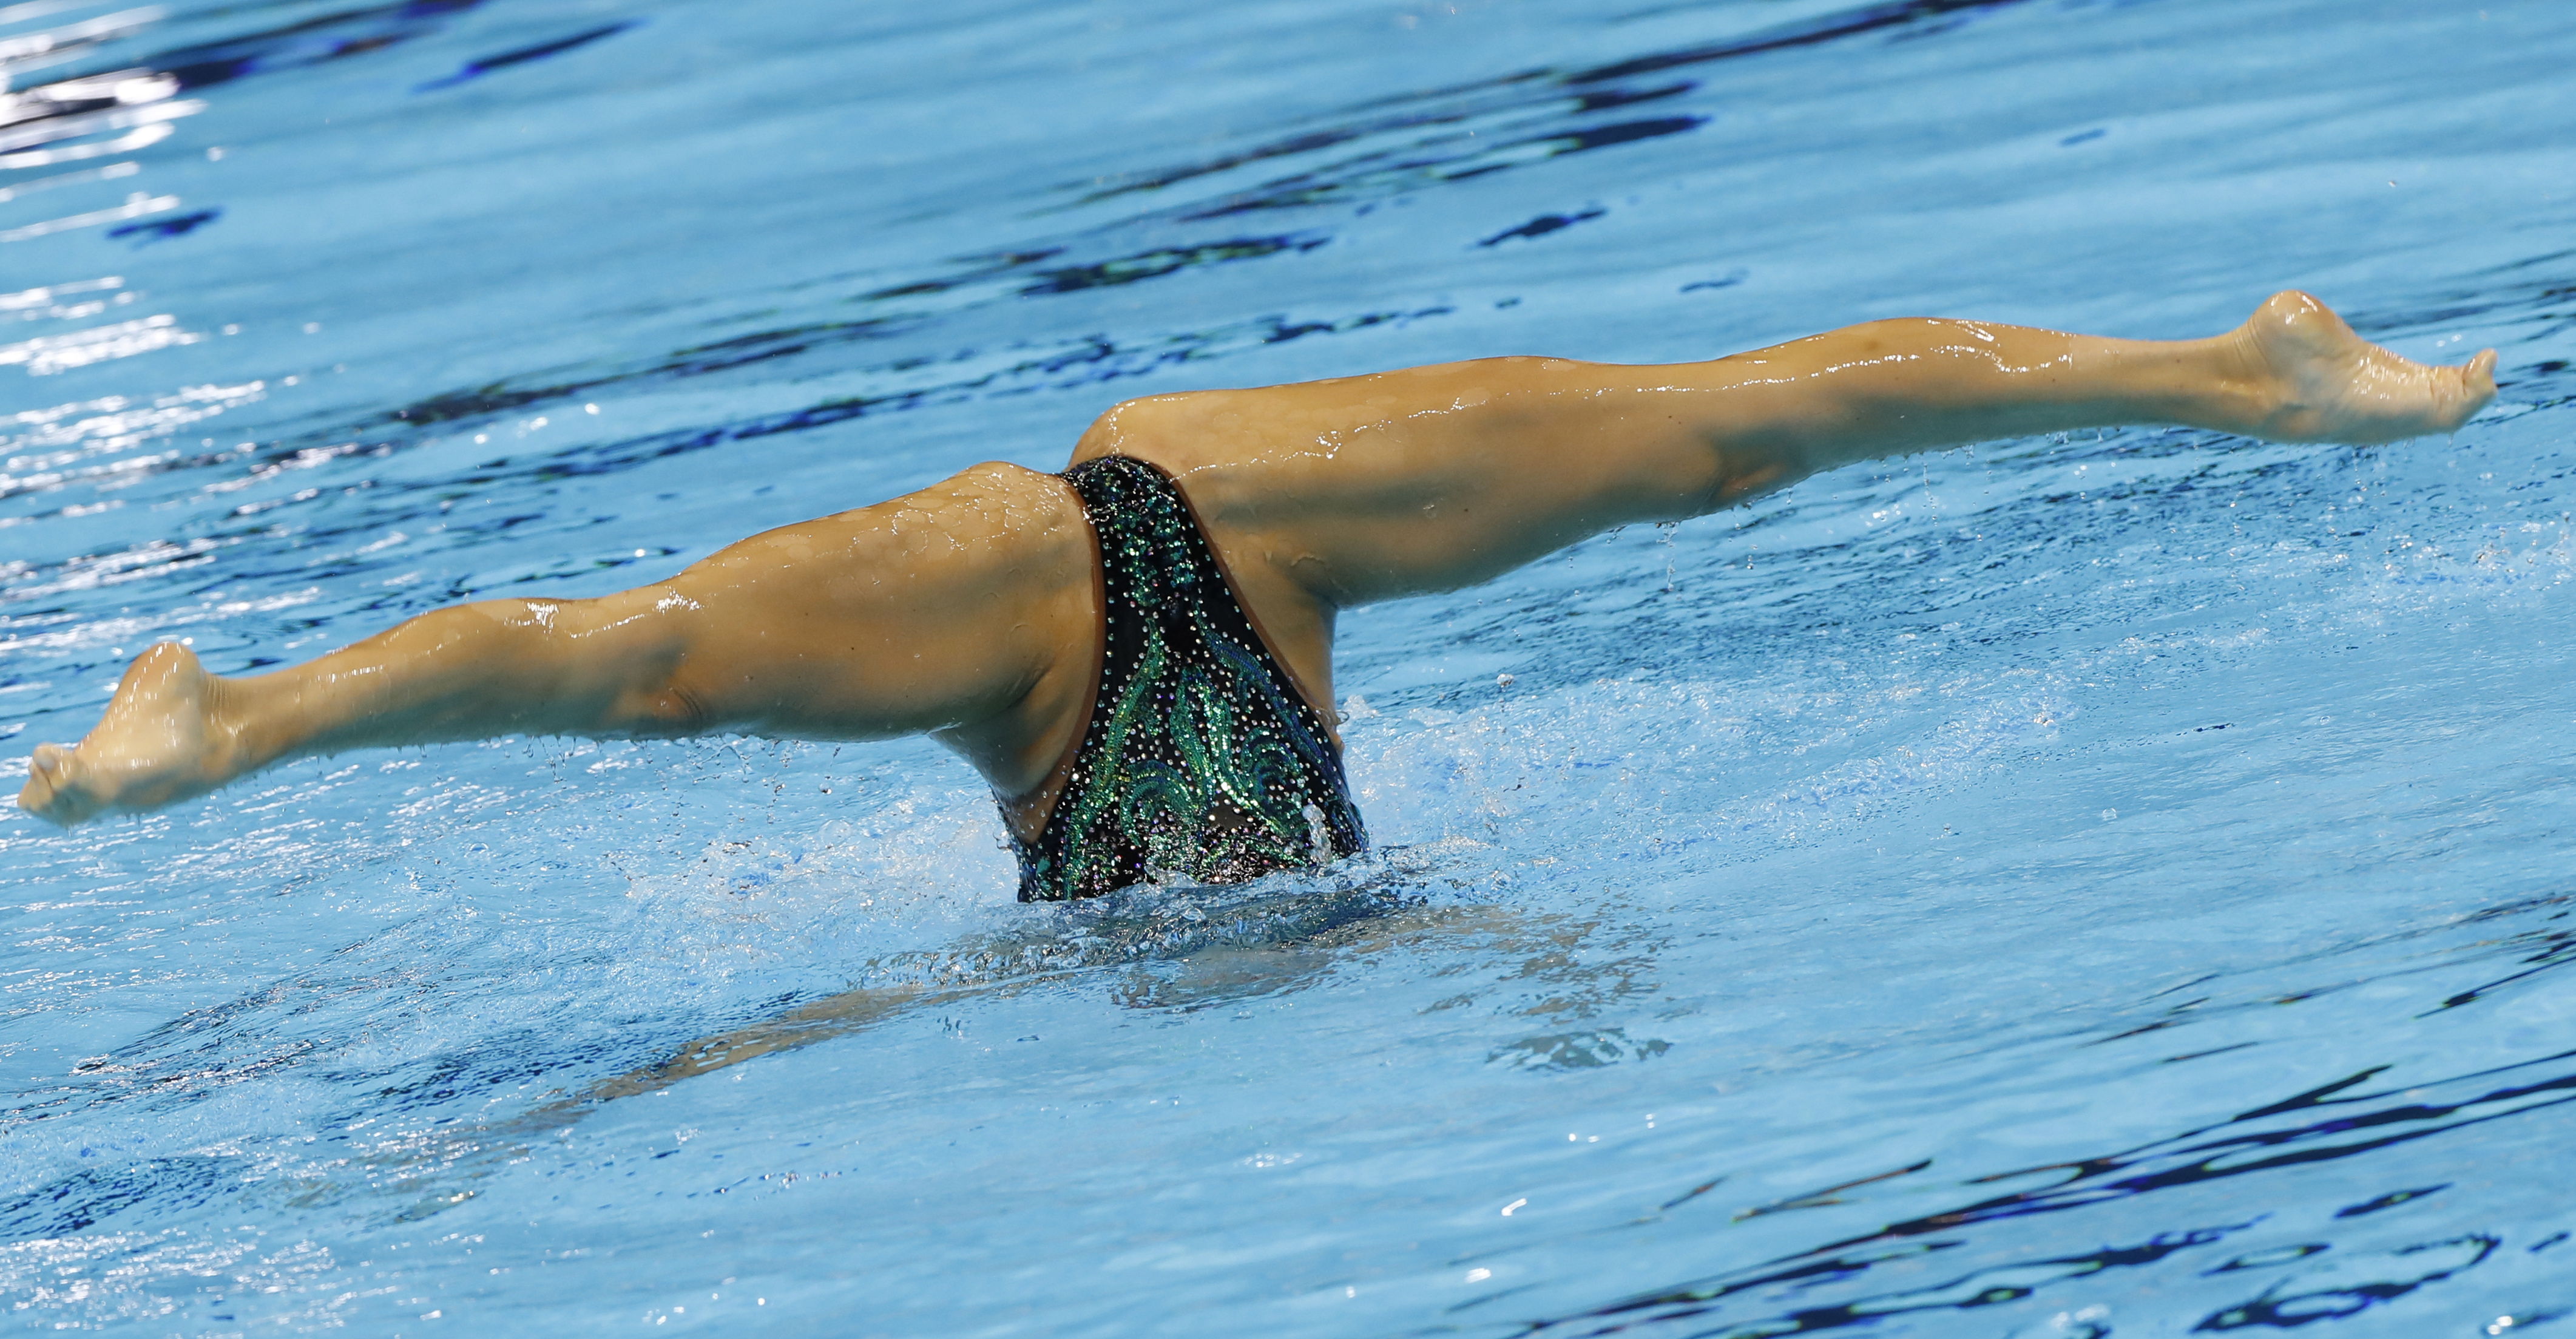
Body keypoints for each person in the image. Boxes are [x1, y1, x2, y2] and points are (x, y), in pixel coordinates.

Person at [16, 292, 2495, 899]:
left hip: (1045, 607)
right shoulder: (1321, 913)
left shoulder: (1122, 908)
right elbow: (1447, 923)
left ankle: (233, 710)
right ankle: (224, 712)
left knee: (644, 673)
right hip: (1233, 549)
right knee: (1729, 440)